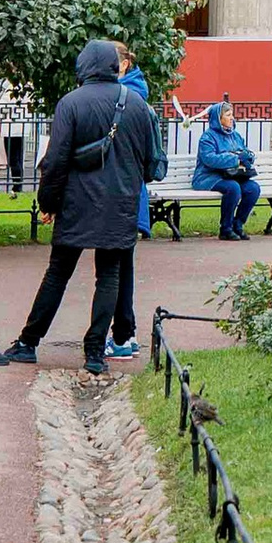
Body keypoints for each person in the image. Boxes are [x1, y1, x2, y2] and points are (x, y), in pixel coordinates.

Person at [4, 43, 155, 373]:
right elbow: (149, 162)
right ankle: (95, 353)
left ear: (84, 66)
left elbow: (55, 161)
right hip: (120, 203)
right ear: (114, 65)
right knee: (109, 276)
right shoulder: (136, 104)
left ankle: (29, 342)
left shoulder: (71, 103)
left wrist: (48, 202)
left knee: (58, 272)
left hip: (76, 202)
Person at [110, 58, 165, 358]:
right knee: (123, 267)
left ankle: (121, 337)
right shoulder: (138, 99)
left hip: (121, 196)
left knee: (114, 270)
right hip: (133, 195)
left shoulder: (124, 100)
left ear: (124, 64)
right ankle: (126, 333)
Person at [191, 98, 261, 241]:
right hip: (208, 177)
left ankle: (238, 225)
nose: (232, 118)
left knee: (253, 188)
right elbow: (209, 159)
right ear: (219, 118)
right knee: (233, 188)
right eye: (228, 115)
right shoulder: (208, 137)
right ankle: (225, 229)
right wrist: (235, 159)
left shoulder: (235, 135)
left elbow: (244, 151)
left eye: (232, 114)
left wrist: (248, 157)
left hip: (232, 175)